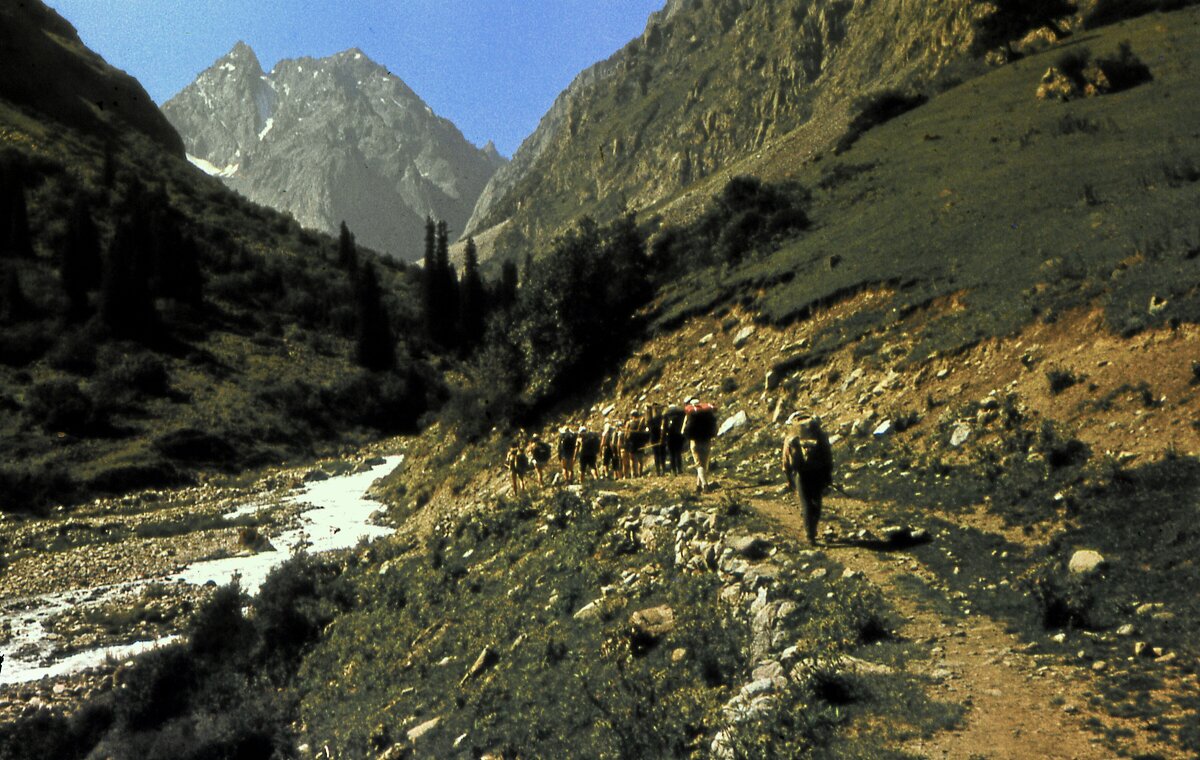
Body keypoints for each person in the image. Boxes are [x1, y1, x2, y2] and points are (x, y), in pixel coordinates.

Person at [782, 413, 834, 545]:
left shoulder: (791, 438)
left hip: (801, 474)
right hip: (818, 473)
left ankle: (809, 535)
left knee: (806, 504)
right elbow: (827, 457)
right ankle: (813, 529)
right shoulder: (820, 436)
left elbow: (786, 460)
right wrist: (828, 476)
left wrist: (789, 478)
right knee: (816, 502)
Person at [682, 397, 718, 492]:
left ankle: (705, 486)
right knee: (704, 464)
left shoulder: (689, 414)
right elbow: (715, 427)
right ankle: (698, 486)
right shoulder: (707, 413)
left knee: (699, 464)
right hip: (707, 441)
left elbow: (683, 430)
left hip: (695, 442)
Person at [622, 411, 650, 479]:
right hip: (641, 443)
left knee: (632, 460)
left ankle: (633, 474)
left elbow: (626, 434)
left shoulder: (629, 423)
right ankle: (640, 474)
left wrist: (625, 441)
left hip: (632, 443)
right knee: (640, 460)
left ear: (632, 416)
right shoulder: (641, 423)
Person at [661, 403, 687, 476]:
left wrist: (663, 438)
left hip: (670, 436)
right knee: (678, 453)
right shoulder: (680, 413)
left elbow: (664, 427)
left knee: (671, 454)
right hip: (679, 435)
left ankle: (673, 470)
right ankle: (679, 469)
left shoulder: (666, 414)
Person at [647, 402, 666, 476]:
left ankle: (659, 470)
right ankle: (661, 470)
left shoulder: (655, 419)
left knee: (658, 454)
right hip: (658, 438)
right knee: (660, 454)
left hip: (656, 438)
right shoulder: (661, 417)